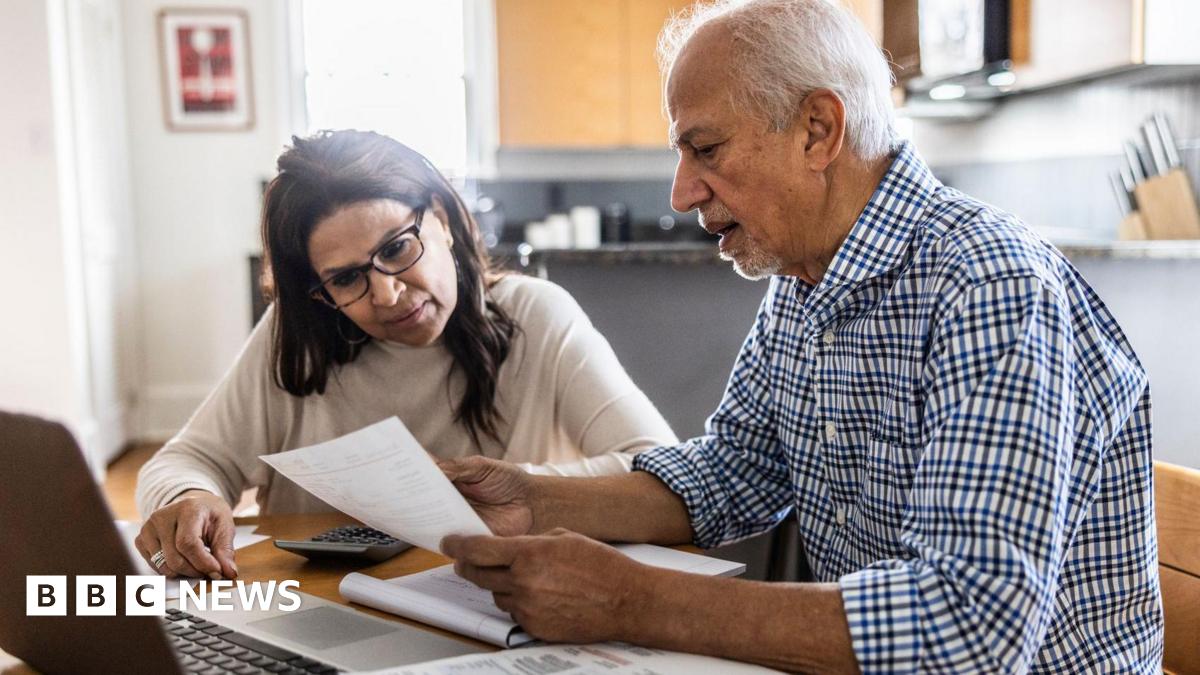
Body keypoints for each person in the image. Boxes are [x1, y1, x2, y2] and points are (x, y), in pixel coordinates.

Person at [437, 0, 1163, 672]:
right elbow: (737, 470)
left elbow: (970, 627)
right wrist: (534, 501)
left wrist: (635, 599)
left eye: (707, 149)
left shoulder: (988, 283)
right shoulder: (804, 276)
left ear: (818, 130)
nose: (681, 192)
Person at [134, 130, 676, 582]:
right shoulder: (296, 337)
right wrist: (188, 497)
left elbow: (660, 468)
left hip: (488, 602)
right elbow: (185, 462)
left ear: (440, 217)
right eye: (347, 278)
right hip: (322, 607)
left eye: (396, 248)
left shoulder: (536, 315)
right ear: (319, 293)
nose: (388, 294)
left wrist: (518, 487)